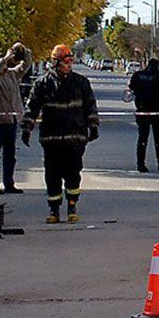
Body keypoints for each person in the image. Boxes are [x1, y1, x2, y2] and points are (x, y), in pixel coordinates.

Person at [22, 44, 98, 223]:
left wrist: (93, 126)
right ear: (55, 63)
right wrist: (27, 128)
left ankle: (72, 205)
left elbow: (90, 106)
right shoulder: (42, 84)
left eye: (71, 61)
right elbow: (32, 107)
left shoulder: (81, 83)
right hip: (52, 138)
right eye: (66, 61)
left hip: (75, 137)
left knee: (73, 173)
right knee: (52, 174)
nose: (69, 65)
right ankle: (54, 210)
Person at [0, 43, 30, 194]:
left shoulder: (12, 74)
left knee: (10, 156)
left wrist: (24, 50)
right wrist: (5, 58)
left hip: (11, 121)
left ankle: (9, 184)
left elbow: (26, 66)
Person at [127, 57, 159, 173]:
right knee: (158, 139)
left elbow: (131, 87)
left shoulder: (138, 75)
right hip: (156, 110)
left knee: (142, 138)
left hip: (142, 110)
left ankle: (140, 164)